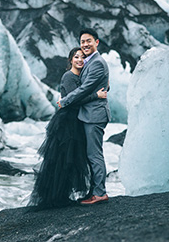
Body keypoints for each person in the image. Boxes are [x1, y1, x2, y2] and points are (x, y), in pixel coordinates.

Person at [28, 47, 107, 210]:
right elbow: (73, 100)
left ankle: (64, 195)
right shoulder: (69, 76)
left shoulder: (81, 77)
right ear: (70, 60)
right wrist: (96, 96)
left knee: (72, 160)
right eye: (76, 57)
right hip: (68, 121)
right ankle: (58, 197)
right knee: (64, 159)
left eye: (83, 57)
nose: (79, 60)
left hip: (76, 119)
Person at [58, 28, 111, 205]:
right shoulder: (91, 62)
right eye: (82, 42)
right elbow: (100, 84)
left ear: (96, 42)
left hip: (94, 115)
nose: (85, 44)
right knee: (91, 155)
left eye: (88, 41)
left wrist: (65, 101)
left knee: (94, 155)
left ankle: (100, 193)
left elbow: (84, 88)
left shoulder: (96, 62)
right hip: (89, 114)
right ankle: (94, 191)